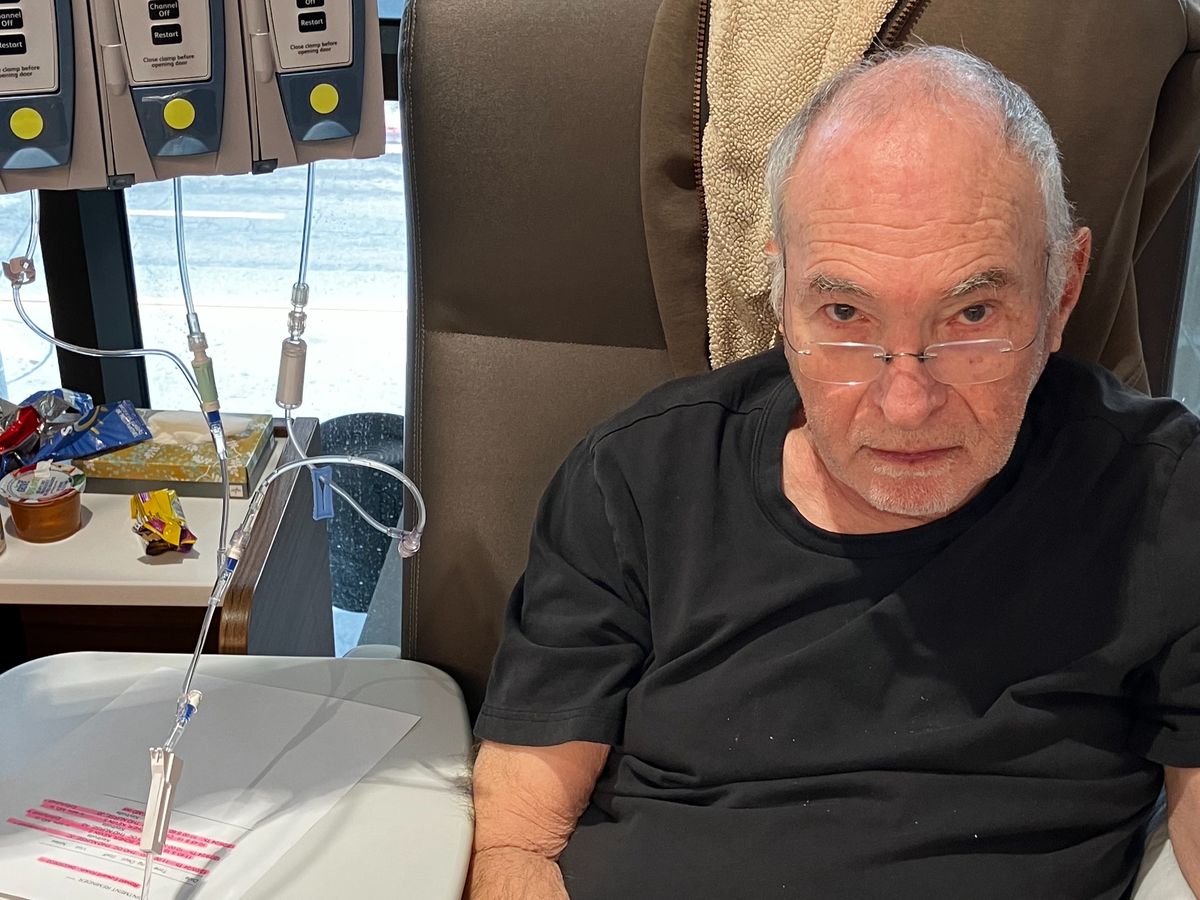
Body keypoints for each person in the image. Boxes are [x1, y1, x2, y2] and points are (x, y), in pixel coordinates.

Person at [467, 46, 1200, 899]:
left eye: (972, 313)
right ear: (783, 302)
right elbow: (516, 844)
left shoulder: (1161, 503)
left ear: (1062, 291)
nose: (906, 403)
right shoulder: (634, 484)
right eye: (846, 313)